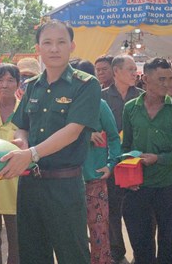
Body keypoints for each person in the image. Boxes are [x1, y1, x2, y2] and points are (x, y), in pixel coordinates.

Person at [0, 19, 101, 264]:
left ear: (72, 46)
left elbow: (73, 131)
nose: (54, 49)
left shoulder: (86, 85)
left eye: (61, 42)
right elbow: (21, 126)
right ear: (38, 49)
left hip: (65, 186)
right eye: (48, 43)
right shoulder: (32, 86)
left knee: (72, 254)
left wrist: (31, 153)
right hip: (30, 186)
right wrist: (21, 142)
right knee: (32, 253)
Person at [120, 58, 172, 264]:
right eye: (161, 79)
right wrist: (129, 175)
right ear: (145, 79)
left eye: (169, 79)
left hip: (167, 184)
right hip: (138, 186)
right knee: (140, 241)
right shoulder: (131, 108)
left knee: (169, 242)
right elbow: (126, 147)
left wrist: (159, 159)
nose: (166, 84)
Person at [71, 58, 121, 264]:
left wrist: (111, 165)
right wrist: (86, 135)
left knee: (99, 232)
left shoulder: (99, 105)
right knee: (73, 234)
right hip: (68, 180)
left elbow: (114, 137)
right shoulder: (63, 106)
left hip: (95, 179)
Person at [101, 54, 143, 264]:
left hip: (137, 164)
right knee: (112, 213)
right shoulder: (101, 98)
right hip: (111, 163)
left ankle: (141, 253)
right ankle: (117, 253)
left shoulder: (144, 97)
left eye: (135, 69)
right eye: (130, 69)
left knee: (139, 212)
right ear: (116, 71)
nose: (135, 72)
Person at [0, 63, 22, 264]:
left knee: (17, 243)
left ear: (18, 84)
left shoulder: (26, 111)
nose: (5, 85)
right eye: (0, 80)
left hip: (18, 189)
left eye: (10, 80)